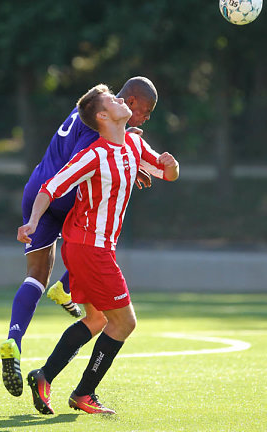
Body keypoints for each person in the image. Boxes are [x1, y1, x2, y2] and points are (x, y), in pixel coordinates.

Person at [17, 84, 179, 415]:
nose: (122, 100)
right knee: (124, 324)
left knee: (96, 319)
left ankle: (44, 376)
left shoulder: (133, 143)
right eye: (114, 100)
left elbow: (167, 174)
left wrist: (170, 164)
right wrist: (33, 222)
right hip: (90, 249)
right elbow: (50, 188)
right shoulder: (94, 154)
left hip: (86, 247)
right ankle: (83, 394)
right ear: (103, 116)